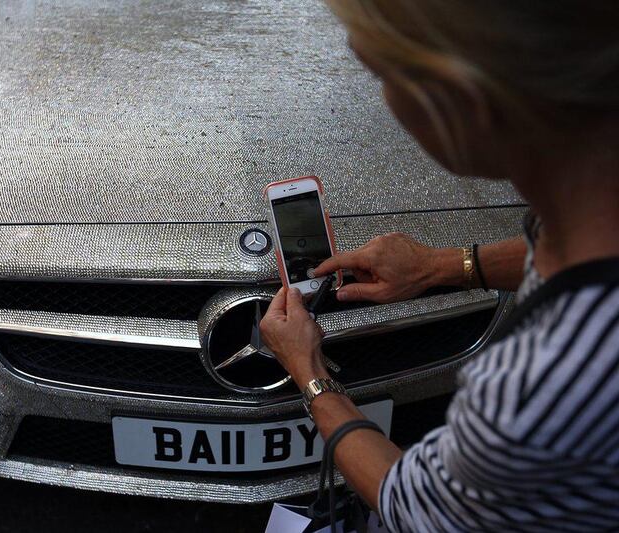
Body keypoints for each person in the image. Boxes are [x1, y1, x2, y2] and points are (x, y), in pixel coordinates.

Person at [260, 1, 619, 531]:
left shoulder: (538, 387)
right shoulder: (591, 206)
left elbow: (414, 506)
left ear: (464, 102)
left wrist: (310, 375)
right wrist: (438, 267)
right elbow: (565, 254)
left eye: (383, 75)